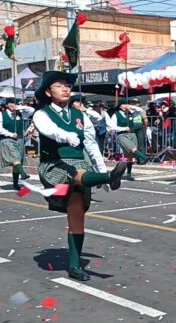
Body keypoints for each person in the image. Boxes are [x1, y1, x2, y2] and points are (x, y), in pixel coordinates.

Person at [32, 71, 126, 281]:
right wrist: (67, 136)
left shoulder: (80, 115)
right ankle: (109, 177)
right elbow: (50, 131)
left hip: (79, 165)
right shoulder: (42, 114)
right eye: (59, 86)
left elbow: (91, 144)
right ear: (48, 92)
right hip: (54, 164)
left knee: (76, 215)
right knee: (77, 175)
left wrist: (100, 169)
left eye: (67, 85)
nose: (65, 89)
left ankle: (74, 266)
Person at [0, 95, 34, 189]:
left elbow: (31, 110)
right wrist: (10, 134)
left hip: (19, 140)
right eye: (11, 103)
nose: (13, 105)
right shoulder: (0, 114)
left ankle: (15, 183)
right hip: (7, 140)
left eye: (15, 103)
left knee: (17, 161)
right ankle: (23, 174)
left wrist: (19, 107)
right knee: (15, 157)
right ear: (7, 104)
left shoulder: (20, 113)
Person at [107, 101, 150, 180]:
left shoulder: (131, 113)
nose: (127, 105)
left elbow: (141, 110)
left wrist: (132, 107)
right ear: (120, 106)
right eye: (124, 104)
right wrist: (123, 128)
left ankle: (129, 174)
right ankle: (144, 157)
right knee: (132, 148)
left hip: (132, 134)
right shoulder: (115, 115)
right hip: (121, 135)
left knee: (130, 155)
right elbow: (112, 127)